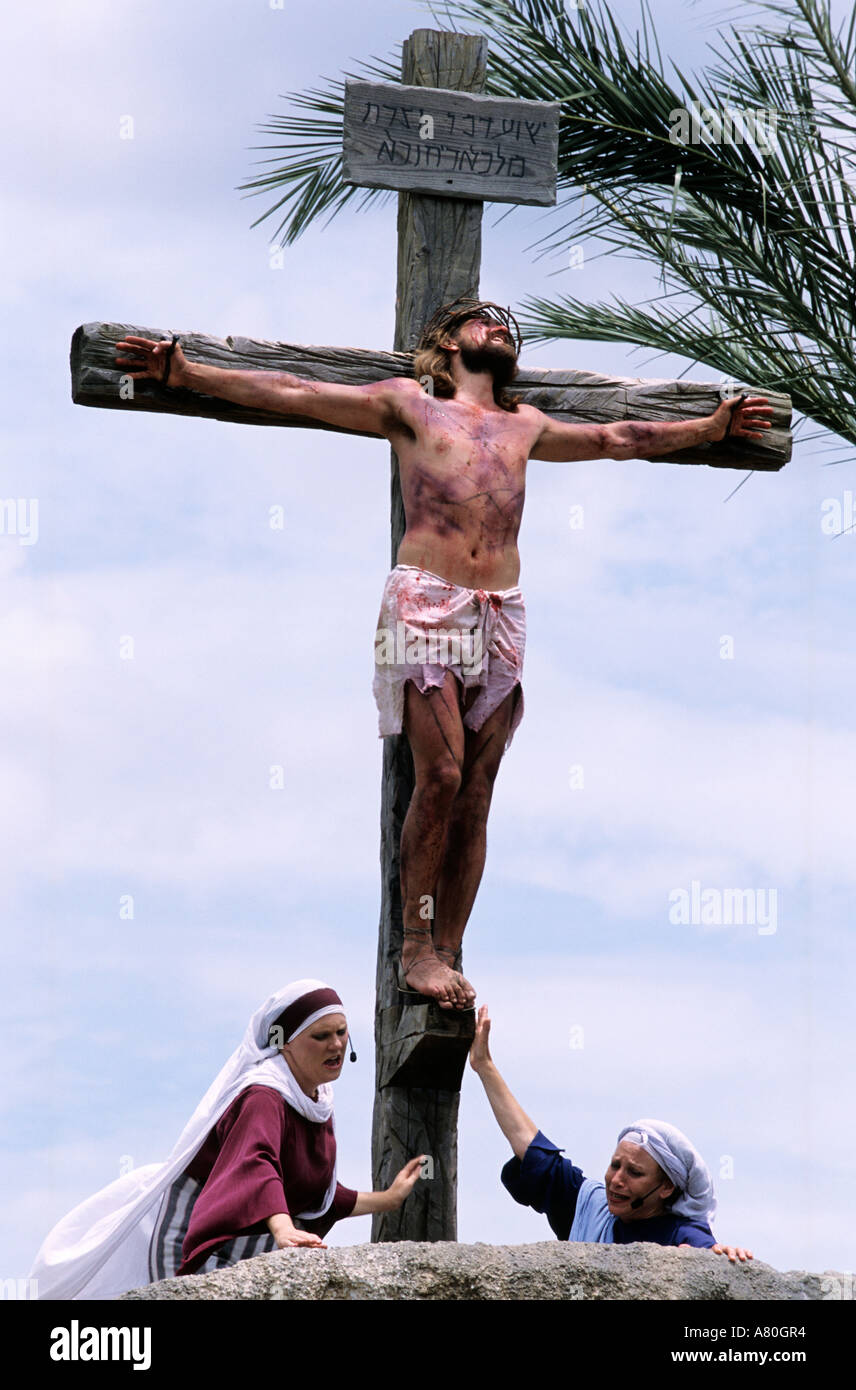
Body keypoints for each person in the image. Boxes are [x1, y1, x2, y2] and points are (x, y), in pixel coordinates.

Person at [115, 306, 772, 1012]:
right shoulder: (410, 407)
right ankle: (416, 947)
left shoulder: (526, 425)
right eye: (478, 320)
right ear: (447, 342)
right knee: (443, 774)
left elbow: (619, 436)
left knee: (478, 789)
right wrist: (185, 372)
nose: (495, 326)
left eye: (501, 323)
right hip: (425, 600)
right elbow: (295, 391)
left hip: (500, 610)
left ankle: (450, 949)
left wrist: (709, 429)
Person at [30, 980, 423, 1299]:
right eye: (321, 1036)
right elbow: (257, 1162)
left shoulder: (315, 1099)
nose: (337, 1045)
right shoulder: (263, 1095)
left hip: (250, 1242)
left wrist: (388, 1199)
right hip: (187, 1229)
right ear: (283, 1042)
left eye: (341, 1032)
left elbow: (313, 1191)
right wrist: (284, 1229)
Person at [470, 1006, 753, 1261]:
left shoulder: (683, 1235)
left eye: (634, 1172)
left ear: (666, 1187)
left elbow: (711, 1257)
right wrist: (484, 1067)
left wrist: (725, 1260)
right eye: (615, 1165)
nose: (616, 1180)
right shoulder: (589, 1209)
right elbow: (530, 1146)